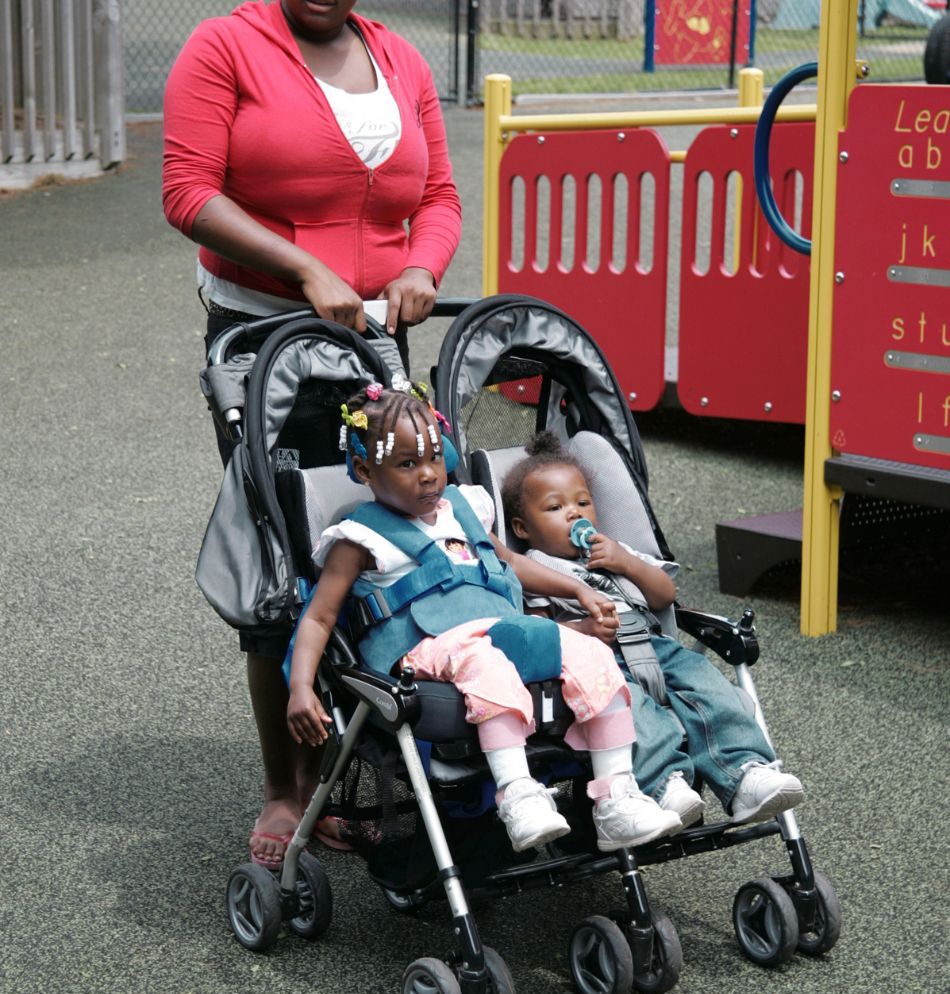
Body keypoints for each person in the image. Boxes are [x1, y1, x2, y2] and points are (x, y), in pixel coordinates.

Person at [162, 0, 462, 868]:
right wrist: (302, 268)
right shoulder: (225, 46)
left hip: (374, 342)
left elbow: (437, 196)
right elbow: (188, 192)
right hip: (268, 345)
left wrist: (421, 264)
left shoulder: (401, 59)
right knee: (285, 554)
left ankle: (379, 754)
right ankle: (289, 789)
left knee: (394, 535)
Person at [287, 382, 684, 855]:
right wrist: (301, 687)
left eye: (435, 457)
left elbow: (510, 563)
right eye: (407, 464)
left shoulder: (462, 510)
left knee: (592, 654)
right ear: (364, 470)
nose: (428, 475)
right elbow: (318, 618)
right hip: (426, 650)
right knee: (485, 661)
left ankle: (617, 797)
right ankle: (518, 794)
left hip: (502, 631)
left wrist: (577, 588)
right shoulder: (358, 539)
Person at [501, 432, 806, 830]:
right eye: (556, 507)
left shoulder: (615, 550)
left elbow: (664, 596)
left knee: (708, 685)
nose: (574, 514)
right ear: (522, 528)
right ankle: (665, 784)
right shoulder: (534, 570)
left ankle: (745, 773)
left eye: (583, 502)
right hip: (600, 665)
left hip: (656, 644)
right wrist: (584, 628)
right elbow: (540, 632)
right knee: (633, 709)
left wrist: (628, 563)